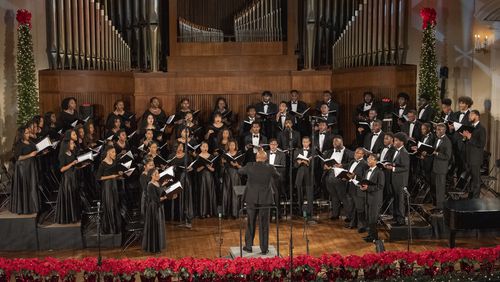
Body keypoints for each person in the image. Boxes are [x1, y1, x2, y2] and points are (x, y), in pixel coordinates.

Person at [238, 150, 280, 254]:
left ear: (256, 158)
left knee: (250, 222)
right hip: (265, 199)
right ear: (265, 159)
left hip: (251, 198)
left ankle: (248, 246)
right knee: (264, 224)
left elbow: (240, 171)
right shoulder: (270, 167)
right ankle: (264, 249)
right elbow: (277, 176)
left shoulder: (250, 166)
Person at [10, 126, 40, 214]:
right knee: (25, 188)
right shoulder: (19, 144)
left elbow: (34, 151)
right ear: (21, 134)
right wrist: (30, 155)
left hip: (31, 167)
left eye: (28, 132)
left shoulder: (30, 141)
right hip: (23, 169)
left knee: (32, 187)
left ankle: (33, 207)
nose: (28, 134)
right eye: (26, 133)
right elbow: (18, 158)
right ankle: (24, 208)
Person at [322, 136, 353, 220]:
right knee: (333, 196)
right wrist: (325, 166)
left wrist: (342, 165)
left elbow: (352, 164)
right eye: (333, 142)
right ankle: (335, 214)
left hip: (341, 176)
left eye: (337, 142)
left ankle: (349, 216)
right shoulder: (329, 152)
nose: (334, 143)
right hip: (329, 175)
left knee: (343, 196)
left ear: (342, 142)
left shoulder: (349, 153)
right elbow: (324, 162)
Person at [384, 132, 410, 226]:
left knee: (400, 201)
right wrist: (391, 164)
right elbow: (399, 163)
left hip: (401, 181)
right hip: (395, 179)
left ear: (402, 142)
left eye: (396, 140)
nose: (394, 142)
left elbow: (405, 167)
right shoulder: (397, 151)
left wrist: (393, 168)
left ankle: (401, 220)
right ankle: (395, 217)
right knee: (395, 199)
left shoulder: (404, 152)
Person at [96, 145, 123, 234]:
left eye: (115, 152)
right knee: (109, 206)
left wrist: (119, 173)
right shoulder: (102, 164)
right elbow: (99, 178)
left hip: (114, 186)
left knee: (115, 205)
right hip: (107, 187)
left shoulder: (114, 161)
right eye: (113, 152)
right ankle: (109, 228)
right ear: (108, 152)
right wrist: (111, 176)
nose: (115, 154)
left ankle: (116, 228)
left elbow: (115, 173)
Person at [359, 154, 384, 242]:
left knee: (373, 218)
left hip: (375, 199)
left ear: (376, 161)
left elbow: (380, 186)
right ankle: (370, 235)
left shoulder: (379, 172)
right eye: (368, 159)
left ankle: (374, 237)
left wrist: (368, 188)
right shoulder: (366, 171)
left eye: (370, 159)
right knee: (368, 218)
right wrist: (362, 186)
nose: (368, 161)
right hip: (367, 197)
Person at [142, 168, 168, 253]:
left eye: (158, 173)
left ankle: (159, 245)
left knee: (159, 226)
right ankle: (154, 247)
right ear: (151, 176)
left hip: (158, 207)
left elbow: (159, 191)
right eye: (156, 174)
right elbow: (155, 199)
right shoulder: (150, 185)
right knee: (155, 226)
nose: (158, 175)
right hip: (153, 208)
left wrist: (164, 186)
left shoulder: (157, 183)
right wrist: (164, 197)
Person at [55, 137, 81, 224]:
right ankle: (69, 217)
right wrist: (72, 163)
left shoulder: (72, 152)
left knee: (74, 196)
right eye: (72, 143)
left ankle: (75, 216)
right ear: (67, 145)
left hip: (73, 177)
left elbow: (74, 164)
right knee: (69, 197)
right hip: (67, 179)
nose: (73, 145)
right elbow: (62, 169)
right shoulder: (63, 155)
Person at [463, 110, 486, 199]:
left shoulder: (481, 128)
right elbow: (468, 142)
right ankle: (470, 197)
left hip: (475, 158)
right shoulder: (470, 127)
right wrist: (465, 137)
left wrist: (470, 137)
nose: (469, 117)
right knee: (471, 178)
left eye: (471, 115)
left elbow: (481, 144)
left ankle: (476, 200)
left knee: (476, 180)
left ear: (476, 116)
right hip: (469, 157)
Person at [431, 123, 452, 210]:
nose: (437, 131)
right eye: (436, 129)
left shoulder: (447, 141)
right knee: (436, 187)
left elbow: (447, 156)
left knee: (440, 189)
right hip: (436, 167)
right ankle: (437, 206)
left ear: (444, 131)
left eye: (439, 129)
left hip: (441, 168)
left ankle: (440, 208)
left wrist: (437, 153)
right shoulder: (437, 139)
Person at [294, 136, 315, 219]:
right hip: (300, 176)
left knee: (309, 195)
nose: (305, 143)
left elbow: (316, 165)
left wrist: (308, 163)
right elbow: (294, 165)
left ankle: (310, 212)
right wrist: (299, 163)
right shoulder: (297, 151)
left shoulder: (313, 151)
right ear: (302, 143)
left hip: (309, 175)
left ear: (309, 142)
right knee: (300, 194)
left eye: (307, 142)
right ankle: (300, 212)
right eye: (304, 142)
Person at [221, 139, 243, 218]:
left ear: (235, 146)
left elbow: (241, 167)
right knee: (227, 193)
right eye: (230, 145)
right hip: (227, 175)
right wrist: (222, 163)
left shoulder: (239, 154)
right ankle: (226, 213)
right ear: (228, 146)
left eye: (233, 145)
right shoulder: (225, 154)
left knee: (235, 193)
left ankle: (235, 213)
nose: (232, 147)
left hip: (236, 175)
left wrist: (236, 165)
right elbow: (222, 167)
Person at [196, 142, 217, 218]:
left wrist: (208, 167)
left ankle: (209, 212)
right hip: (201, 177)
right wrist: (203, 166)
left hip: (209, 177)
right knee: (202, 193)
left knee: (209, 192)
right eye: (203, 146)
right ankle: (202, 212)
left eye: (206, 146)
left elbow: (213, 170)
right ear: (200, 148)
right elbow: (197, 170)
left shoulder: (211, 157)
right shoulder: (198, 157)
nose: (205, 148)